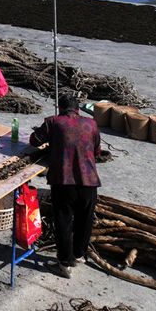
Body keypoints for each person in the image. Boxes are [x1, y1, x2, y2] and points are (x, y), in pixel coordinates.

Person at [30, 93, 101, 279]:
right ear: (78, 109)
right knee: (84, 220)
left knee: (63, 220)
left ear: (60, 108)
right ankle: (79, 255)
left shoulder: (53, 122)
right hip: (89, 181)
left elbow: (34, 141)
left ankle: (64, 263)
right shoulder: (91, 124)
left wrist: (49, 139)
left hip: (64, 180)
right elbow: (97, 150)